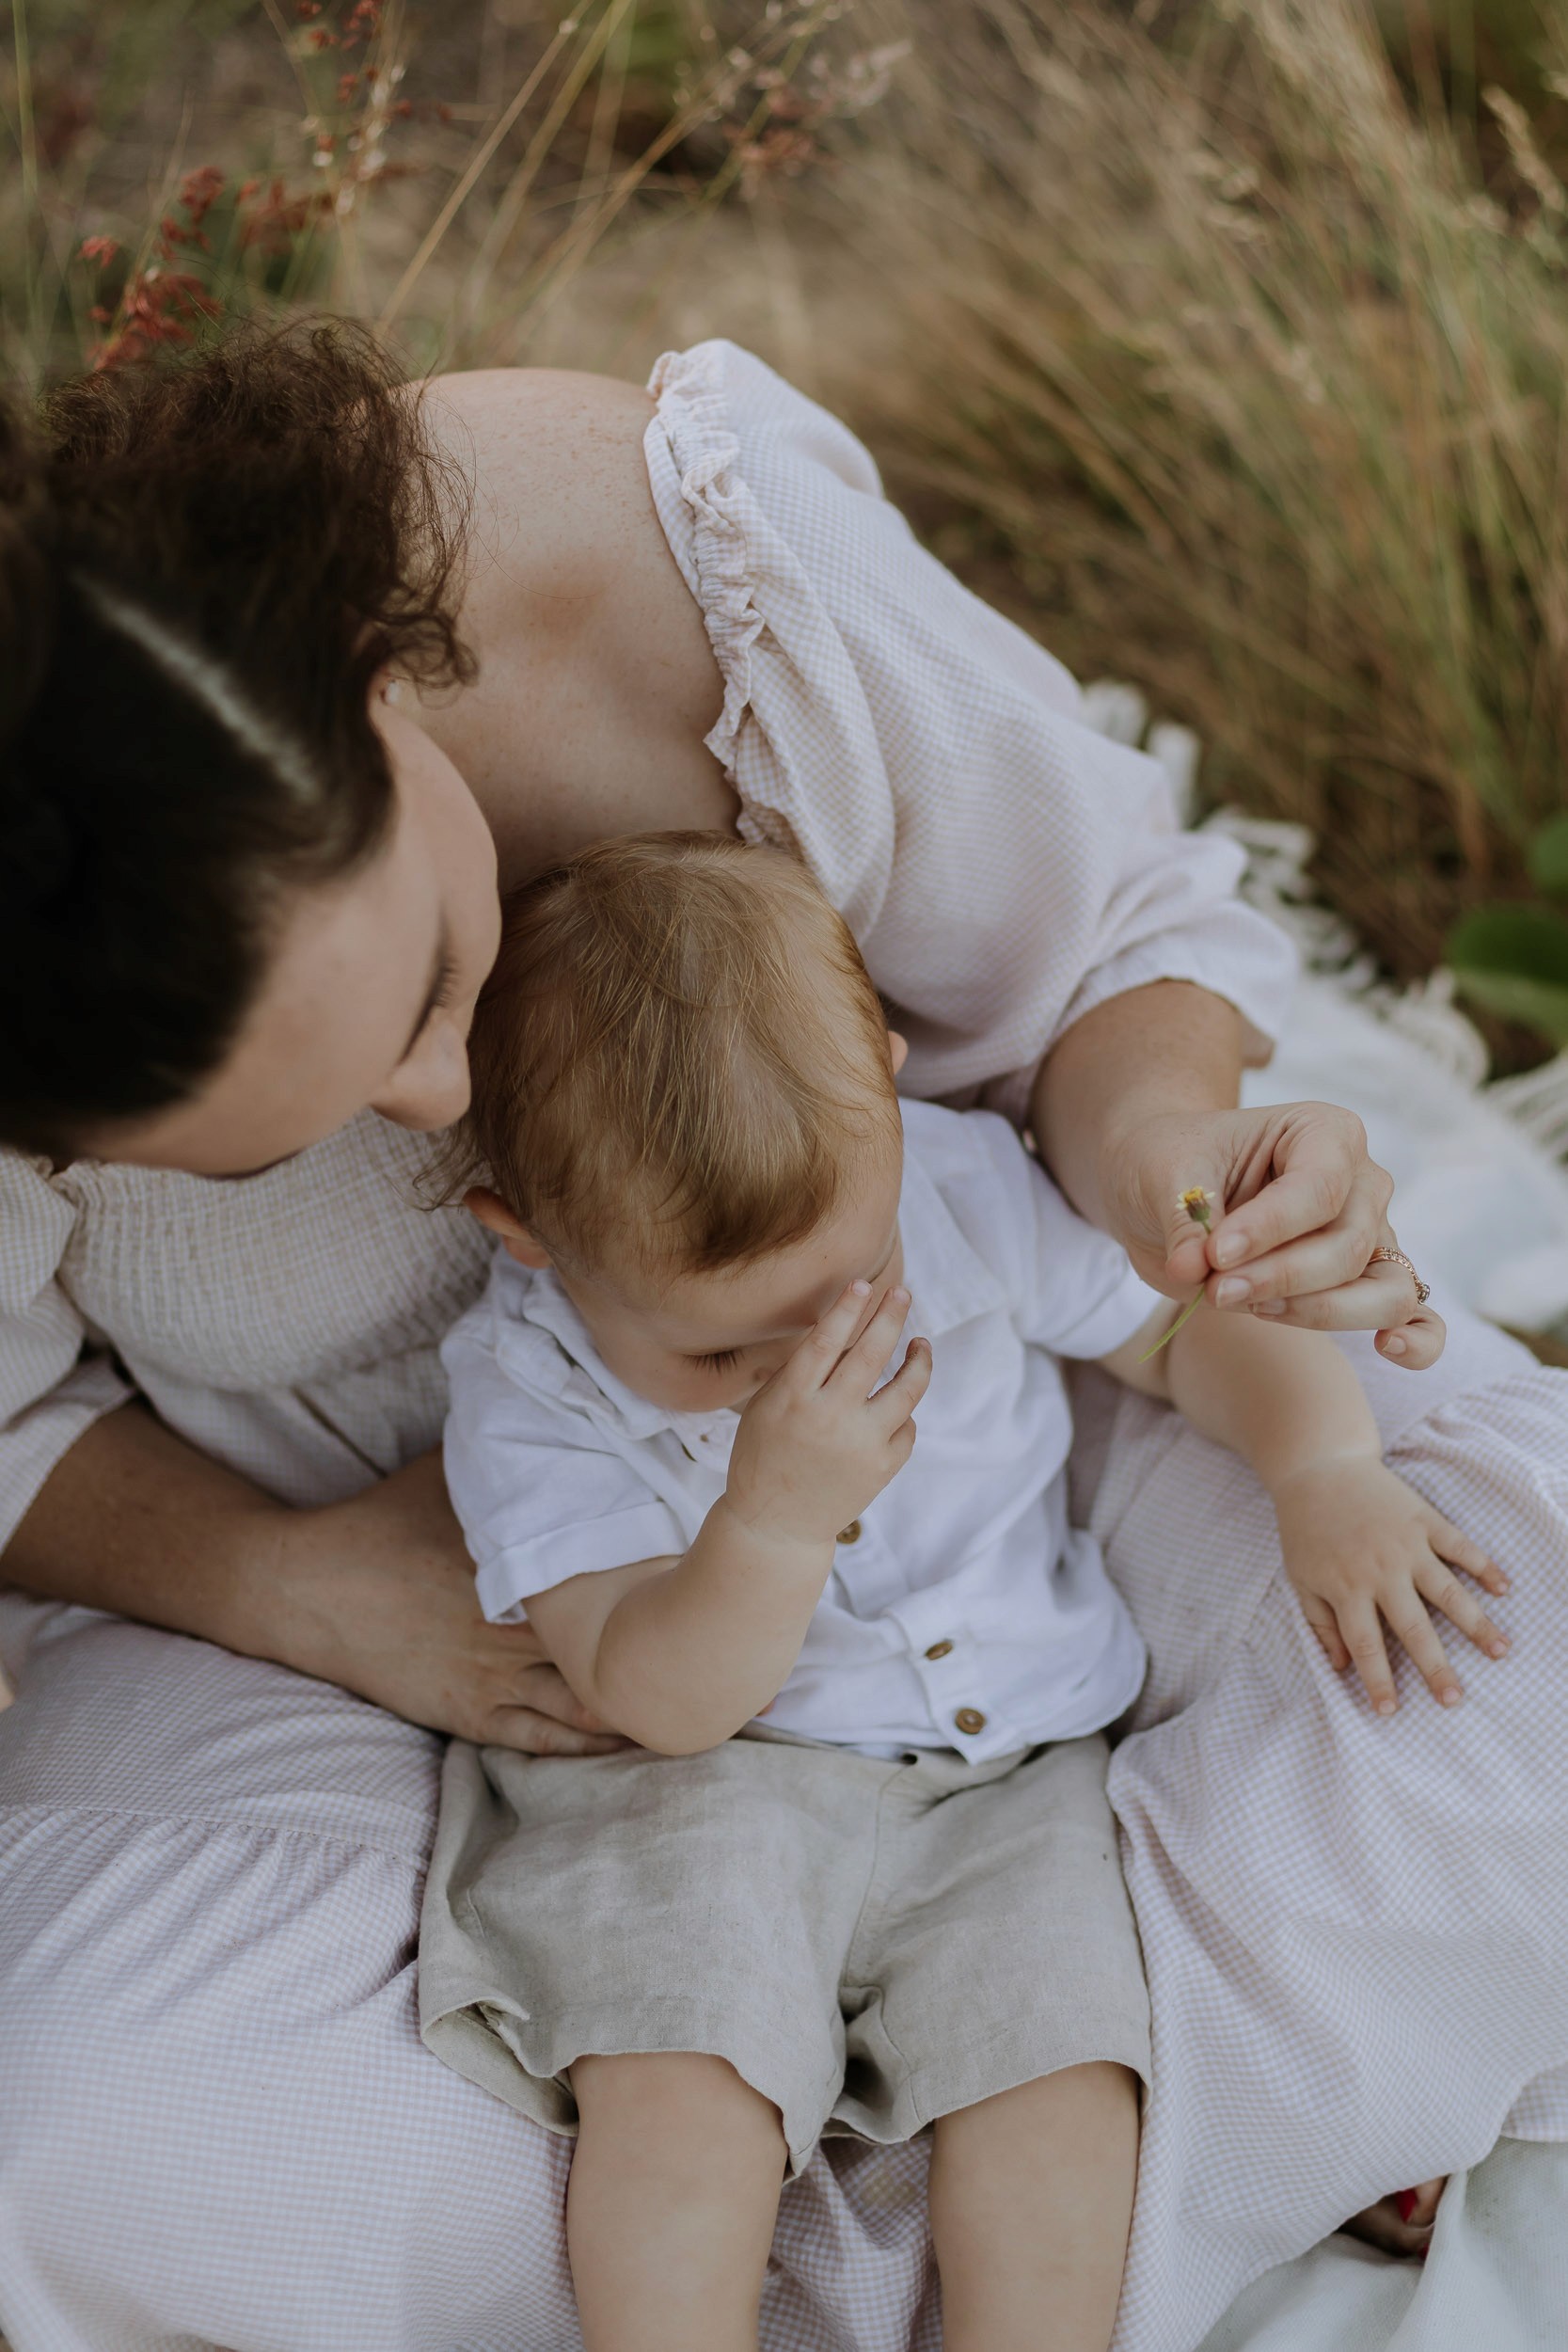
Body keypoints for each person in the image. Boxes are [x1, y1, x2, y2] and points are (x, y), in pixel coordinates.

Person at [0, 317, 1548, 2350]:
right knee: (109, 2138)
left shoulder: (681, 576)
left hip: (985, 1472)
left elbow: (1101, 960)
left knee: (1517, 1686)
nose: (454, 1106)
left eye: (431, 986)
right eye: (271, 1146)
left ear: (370, 677)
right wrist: (297, 1587)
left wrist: (1187, 1168)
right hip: (366, 1609)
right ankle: (1219, 2134)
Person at [425, 833, 1508, 2352]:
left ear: (886, 1079)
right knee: (680, 2081)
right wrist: (770, 1519)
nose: (799, 1371)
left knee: (1058, 2074)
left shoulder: (953, 1188)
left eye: (846, 1287)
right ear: (528, 1237)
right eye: (718, 1358)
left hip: (1012, 1769)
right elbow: (652, 1695)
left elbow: (1182, 1333)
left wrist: (1322, 1466)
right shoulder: (526, 1376)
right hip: (701, 1784)